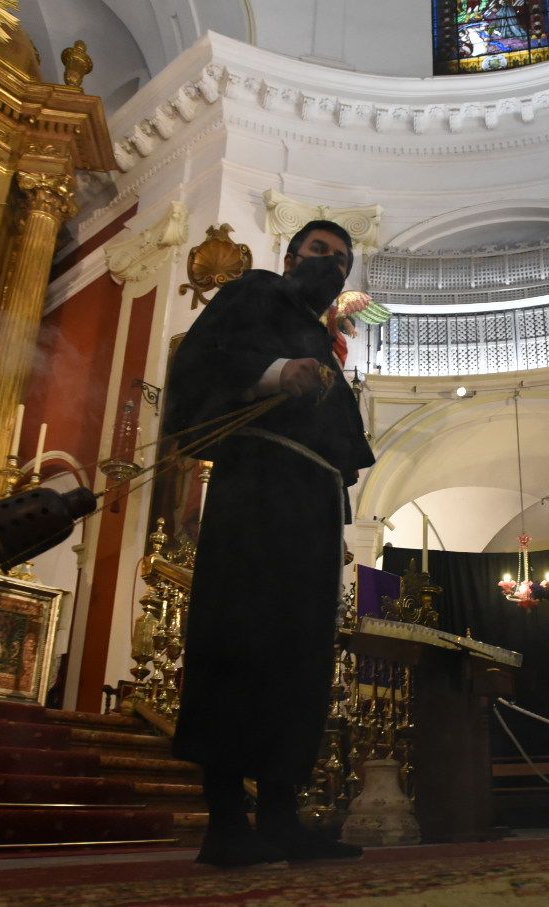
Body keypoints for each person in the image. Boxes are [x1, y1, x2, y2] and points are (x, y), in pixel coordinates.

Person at [161, 219, 374, 868]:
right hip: (255, 489)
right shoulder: (255, 291)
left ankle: (281, 817)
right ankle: (226, 822)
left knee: (299, 655)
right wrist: (279, 373)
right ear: (289, 257)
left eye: (341, 262)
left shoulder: (324, 333)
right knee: (239, 643)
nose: (330, 267)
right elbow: (205, 358)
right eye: (319, 253)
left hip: (311, 508)